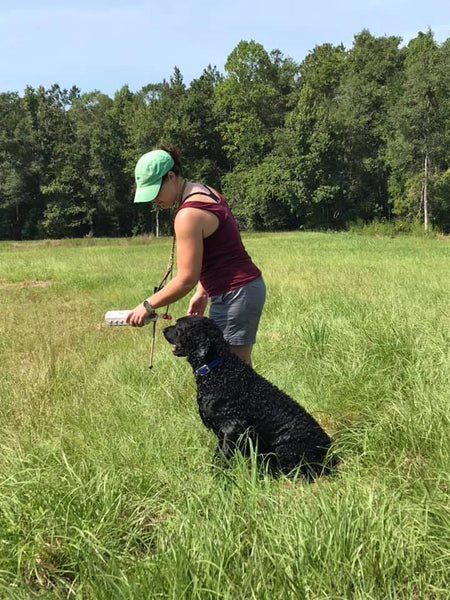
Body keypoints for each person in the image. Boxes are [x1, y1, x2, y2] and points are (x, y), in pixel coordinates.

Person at [126, 144, 265, 365]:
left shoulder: (188, 215)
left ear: (170, 176)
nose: (153, 200)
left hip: (235, 295)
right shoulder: (204, 190)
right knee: (235, 374)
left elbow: (185, 278)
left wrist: (147, 305)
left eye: (155, 191)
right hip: (243, 290)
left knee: (232, 375)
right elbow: (215, 250)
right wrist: (203, 291)